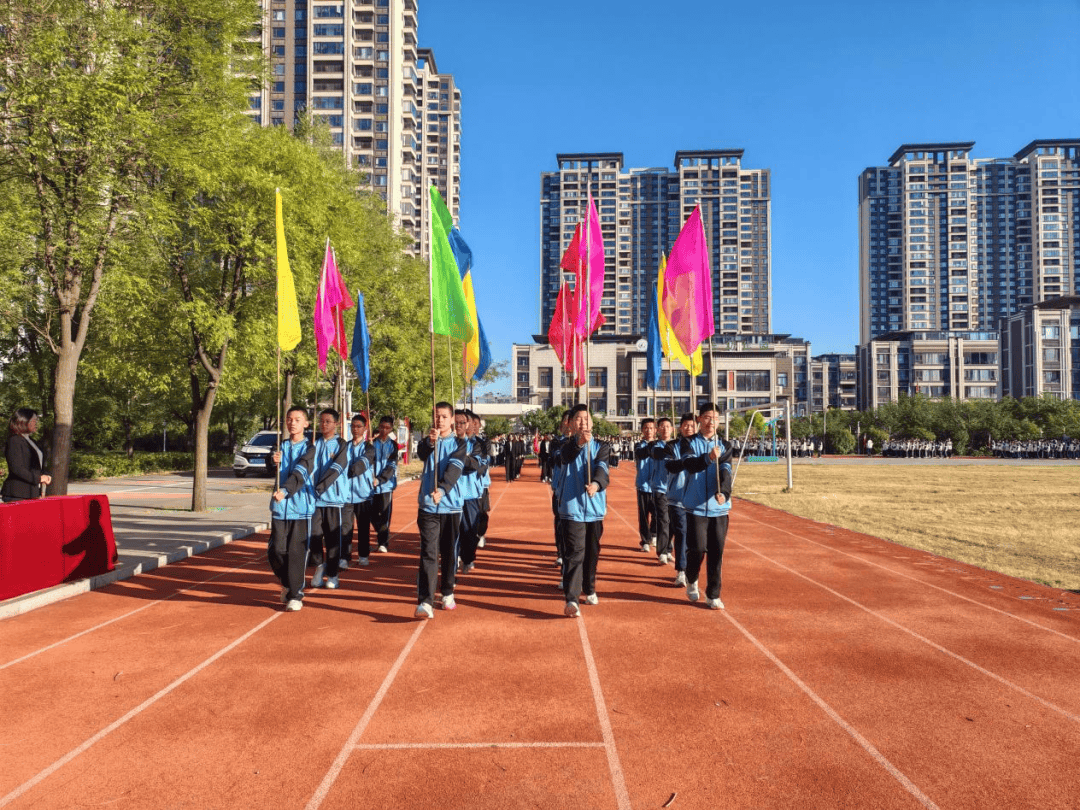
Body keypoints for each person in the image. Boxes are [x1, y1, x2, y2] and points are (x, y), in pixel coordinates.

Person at [667, 402, 733, 610]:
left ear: (719, 421)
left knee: (716, 551)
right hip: (694, 506)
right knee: (696, 549)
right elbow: (691, 465)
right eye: (706, 417)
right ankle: (691, 576)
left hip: (719, 508)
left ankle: (713, 594)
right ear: (699, 420)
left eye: (714, 418)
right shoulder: (688, 443)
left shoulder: (726, 445)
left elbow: (726, 471)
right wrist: (707, 457)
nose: (710, 421)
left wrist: (724, 492)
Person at [556, 404, 610, 618]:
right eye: (578, 419)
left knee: (592, 552)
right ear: (571, 423)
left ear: (592, 423)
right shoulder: (563, 445)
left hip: (595, 508)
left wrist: (596, 484)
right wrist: (579, 444)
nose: (582, 422)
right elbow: (565, 458)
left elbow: (603, 468)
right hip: (571, 508)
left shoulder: (601, 446)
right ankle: (571, 599)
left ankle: (590, 587)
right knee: (575, 552)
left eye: (586, 419)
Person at [415, 401, 468, 618]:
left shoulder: (459, 444)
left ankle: (447, 591)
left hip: (451, 507)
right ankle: (425, 601)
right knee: (428, 552)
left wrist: (444, 489)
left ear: (452, 419)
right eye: (437, 416)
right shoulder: (429, 441)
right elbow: (421, 453)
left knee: (448, 552)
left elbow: (455, 469)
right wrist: (429, 442)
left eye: (444, 416)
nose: (440, 420)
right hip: (428, 506)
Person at [269, 407, 318, 612]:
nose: (292, 423)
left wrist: (286, 490)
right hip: (280, 508)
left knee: (296, 553)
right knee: (276, 551)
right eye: (289, 419)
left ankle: (296, 594)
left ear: (306, 424)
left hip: (301, 507)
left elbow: (301, 472)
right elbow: (270, 467)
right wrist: (273, 461)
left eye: (298, 419)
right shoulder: (280, 445)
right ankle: (287, 582)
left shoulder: (311, 448)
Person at [308, 409, 350, 590]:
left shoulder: (342, 444)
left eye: (328, 422)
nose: (324, 425)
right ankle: (319, 567)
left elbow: (338, 467)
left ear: (336, 424)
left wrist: (321, 486)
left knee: (333, 539)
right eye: (321, 421)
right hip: (314, 500)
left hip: (333, 499)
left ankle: (333, 574)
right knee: (313, 537)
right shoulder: (314, 444)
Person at [340, 414, 376, 570]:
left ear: (364, 429)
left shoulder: (369, 448)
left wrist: (348, 469)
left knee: (363, 527)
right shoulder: (345, 446)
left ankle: (363, 555)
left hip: (364, 494)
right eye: (353, 426)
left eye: (358, 426)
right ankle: (344, 557)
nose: (355, 429)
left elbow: (361, 465)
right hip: (346, 494)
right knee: (345, 528)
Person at [2, 408, 52, 502]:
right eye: (34, 420)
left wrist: (45, 475)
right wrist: (38, 478)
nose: (36, 423)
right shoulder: (14, 441)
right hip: (17, 494)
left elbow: (36, 466)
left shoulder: (31, 441)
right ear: (23, 421)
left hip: (31, 493)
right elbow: (17, 469)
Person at [369, 415, 399, 554]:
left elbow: (392, 465)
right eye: (382, 427)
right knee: (372, 515)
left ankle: (383, 542)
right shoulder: (371, 443)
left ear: (391, 428)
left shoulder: (393, 445)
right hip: (370, 486)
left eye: (387, 428)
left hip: (386, 485)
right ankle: (381, 533)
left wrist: (380, 479)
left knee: (385, 515)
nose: (384, 430)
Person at [650, 417, 674, 565]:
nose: (665, 429)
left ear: (672, 429)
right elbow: (658, 454)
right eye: (662, 426)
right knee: (663, 520)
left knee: (672, 522)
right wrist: (674, 447)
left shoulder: (678, 444)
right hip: (660, 488)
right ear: (658, 430)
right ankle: (663, 551)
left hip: (675, 490)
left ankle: (668, 547)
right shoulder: (654, 446)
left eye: (668, 426)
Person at [634, 418, 657, 552]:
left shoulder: (660, 445)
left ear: (656, 430)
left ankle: (653, 534)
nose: (649, 430)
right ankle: (645, 541)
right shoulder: (639, 445)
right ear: (642, 430)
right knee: (643, 515)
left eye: (651, 428)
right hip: (642, 486)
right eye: (646, 428)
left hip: (656, 486)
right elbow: (640, 455)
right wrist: (651, 445)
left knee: (657, 514)